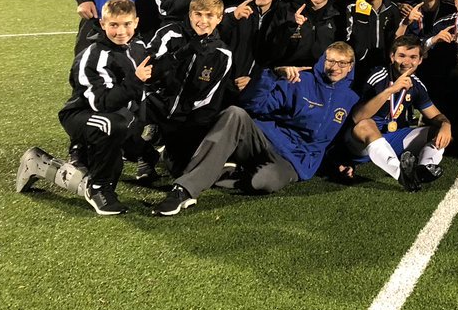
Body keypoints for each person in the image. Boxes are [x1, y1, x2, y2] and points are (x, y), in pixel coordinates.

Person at [152, 42, 361, 215]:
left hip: (294, 161)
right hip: (266, 139)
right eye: (331, 60)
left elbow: (339, 139)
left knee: (263, 182)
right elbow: (254, 106)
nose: (335, 67)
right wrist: (272, 75)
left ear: (350, 66)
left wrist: (344, 163)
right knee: (235, 113)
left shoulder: (351, 99)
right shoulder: (299, 80)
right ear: (323, 60)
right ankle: (185, 190)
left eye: (342, 63)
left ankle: (220, 168)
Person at [17, 0, 153, 215]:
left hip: (115, 114)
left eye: (126, 24)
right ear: (103, 24)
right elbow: (102, 103)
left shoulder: (138, 46)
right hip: (84, 113)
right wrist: (135, 81)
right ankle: (95, 188)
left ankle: (44, 164)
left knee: (117, 157)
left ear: (136, 22)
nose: (121, 31)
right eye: (114, 25)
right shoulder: (93, 56)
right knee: (112, 128)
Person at [343, 36, 453, 191]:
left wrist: (446, 125)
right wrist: (390, 90)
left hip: (392, 139)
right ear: (392, 56)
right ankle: (402, 174)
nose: (407, 62)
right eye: (401, 56)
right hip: (362, 143)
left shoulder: (416, 85)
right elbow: (357, 117)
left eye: (413, 57)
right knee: (366, 124)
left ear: (420, 60)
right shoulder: (377, 76)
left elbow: (436, 116)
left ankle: (423, 169)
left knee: (438, 131)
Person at [146, 0, 234, 176]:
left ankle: (170, 149)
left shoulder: (222, 54)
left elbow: (207, 101)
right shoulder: (170, 33)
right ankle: (144, 153)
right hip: (155, 108)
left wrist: (180, 130)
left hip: (184, 120)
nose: (203, 21)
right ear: (190, 14)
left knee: (180, 170)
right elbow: (147, 71)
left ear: (219, 18)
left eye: (209, 15)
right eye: (198, 14)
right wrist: (182, 53)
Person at [347, 0, 402, 81]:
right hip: (357, 72)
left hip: (386, 72)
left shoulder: (394, 10)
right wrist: (361, 20)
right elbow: (353, 49)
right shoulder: (351, 9)